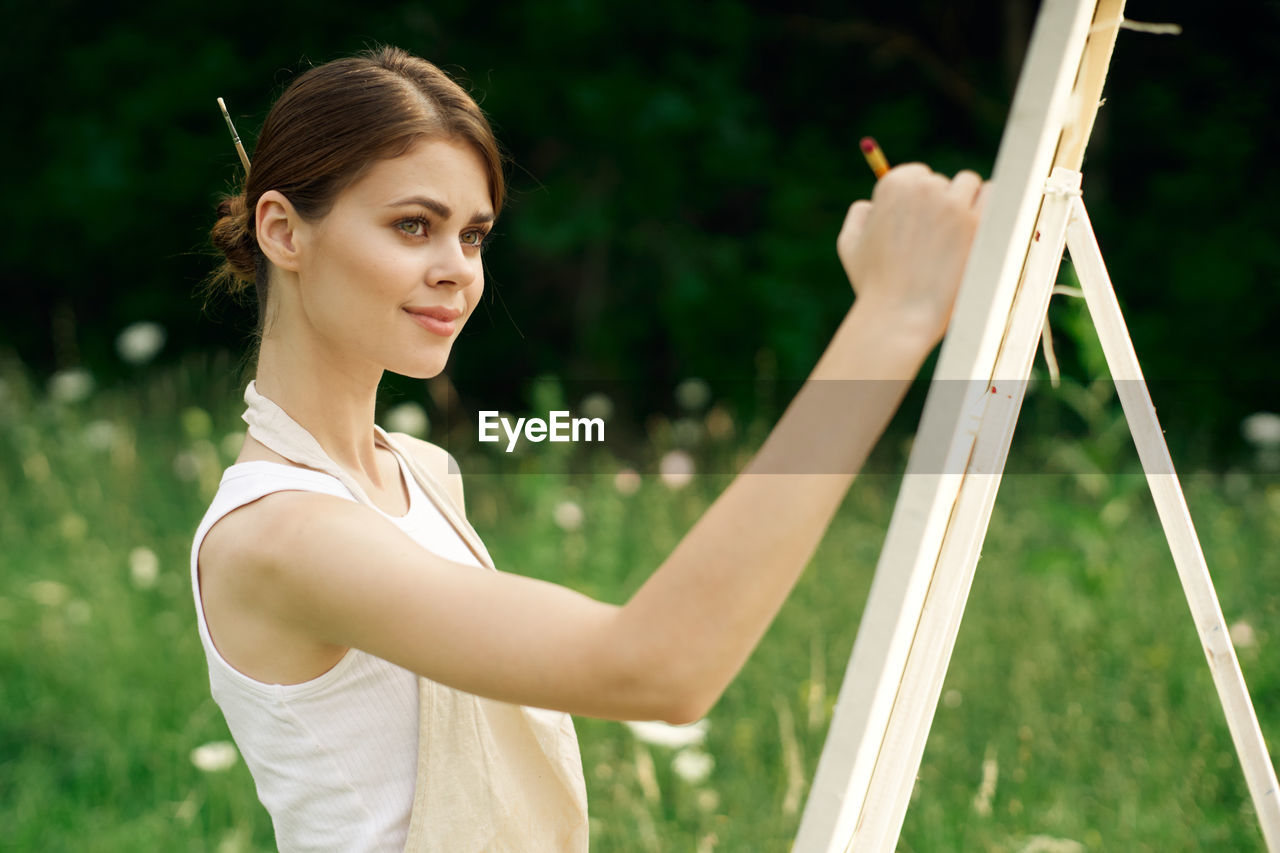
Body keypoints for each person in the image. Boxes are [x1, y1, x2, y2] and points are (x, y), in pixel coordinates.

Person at [193, 45, 985, 853]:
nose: (457, 271)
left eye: (471, 236)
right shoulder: (281, 535)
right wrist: (891, 319)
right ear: (284, 231)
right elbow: (658, 668)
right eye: (413, 226)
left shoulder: (416, 471)